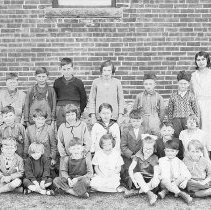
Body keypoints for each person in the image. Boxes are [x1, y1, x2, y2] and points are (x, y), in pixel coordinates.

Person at [125, 135, 160, 206]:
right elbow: (131, 169)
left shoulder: (154, 157)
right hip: (141, 179)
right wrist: (134, 180)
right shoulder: (138, 155)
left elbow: (156, 171)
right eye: (145, 148)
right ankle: (150, 194)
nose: (147, 151)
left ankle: (136, 192)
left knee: (157, 180)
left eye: (150, 149)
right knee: (136, 174)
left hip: (151, 180)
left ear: (154, 149)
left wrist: (155, 178)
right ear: (142, 148)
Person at [53, 58, 87, 129]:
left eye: (68, 69)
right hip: (60, 109)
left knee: (74, 128)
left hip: (74, 107)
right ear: (61, 69)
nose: (66, 71)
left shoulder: (78, 82)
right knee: (61, 128)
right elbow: (54, 97)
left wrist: (80, 110)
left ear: (72, 69)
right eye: (64, 69)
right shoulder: (57, 82)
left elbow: (83, 98)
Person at [89, 60, 124, 125]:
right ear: (101, 71)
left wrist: (120, 116)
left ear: (112, 71)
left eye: (109, 70)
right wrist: (93, 116)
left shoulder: (117, 82)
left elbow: (121, 100)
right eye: (104, 70)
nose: (106, 73)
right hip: (99, 116)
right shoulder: (96, 82)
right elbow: (92, 99)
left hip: (113, 116)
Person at [191, 51, 211, 156]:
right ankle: (201, 153)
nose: (201, 62)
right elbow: (192, 92)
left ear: (207, 60)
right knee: (199, 128)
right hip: (198, 104)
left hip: (209, 103)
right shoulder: (194, 75)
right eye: (198, 60)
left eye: (203, 59)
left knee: (209, 128)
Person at [168, 71, 198, 138]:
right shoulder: (173, 95)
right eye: (181, 83)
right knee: (177, 136)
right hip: (176, 119)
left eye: (185, 83)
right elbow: (170, 110)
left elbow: (195, 109)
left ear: (188, 84)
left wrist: (196, 121)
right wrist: (170, 122)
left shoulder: (191, 95)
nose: (183, 86)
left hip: (188, 119)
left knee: (189, 136)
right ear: (177, 83)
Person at [120, 109, 146, 189]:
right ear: (130, 120)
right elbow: (123, 146)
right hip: (129, 157)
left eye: (138, 121)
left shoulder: (145, 130)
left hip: (141, 157)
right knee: (128, 172)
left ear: (142, 120)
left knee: (142, 171)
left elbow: (147, 145)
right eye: (134, 121)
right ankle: (131, 184)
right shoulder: (126, 131)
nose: (136, 123)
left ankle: (141, 184)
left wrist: (139, 155)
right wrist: (131, 155)